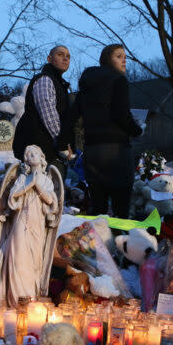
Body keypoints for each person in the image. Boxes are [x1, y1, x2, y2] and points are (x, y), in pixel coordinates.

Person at [65, 44, 142, 217]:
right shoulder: (118, 80)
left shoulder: (86, 85)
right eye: (119, 56)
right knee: (121, 208)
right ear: (108, 59)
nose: (124, 60)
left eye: (125, 57)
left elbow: (72, 117)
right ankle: (119, 242)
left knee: (98, 208)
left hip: (92, 152)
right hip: (116, 151)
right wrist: (137, 130)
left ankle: (96, 242)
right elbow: (122, 115)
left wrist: (68, 142)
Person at [0, 145, 61, 308]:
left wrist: (37, 185)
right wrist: (30, 184)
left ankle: (30, 301)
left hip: (37, 222)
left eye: (34, 153)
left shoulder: (47, 180)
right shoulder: (22, 178)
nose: (31, 156)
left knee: (34, 261)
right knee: (18, 257)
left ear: (42, 157)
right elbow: (12, 197)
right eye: (28, 154)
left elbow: (52, 202)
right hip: (20, 221)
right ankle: (16, 302)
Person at [12, 45, 72, 162]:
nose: (65, 58)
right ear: (49, 59)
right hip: (38, 150)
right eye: (60, 55)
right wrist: (62, 144)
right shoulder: (45, 79)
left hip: (48, 150)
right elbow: (48, 113)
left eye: (68, 56)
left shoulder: (60, 84)